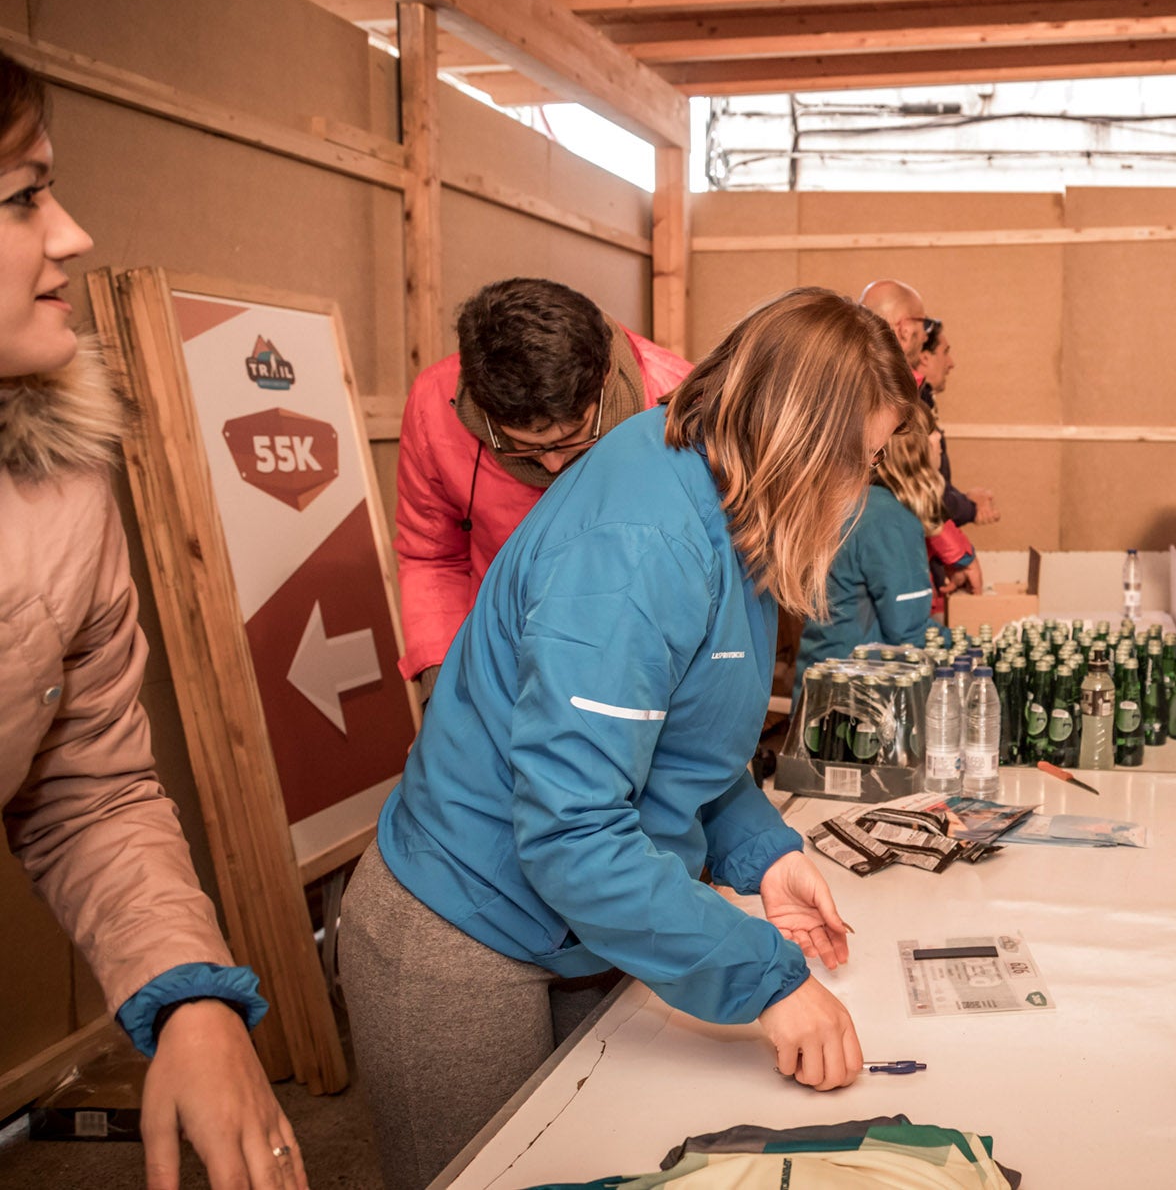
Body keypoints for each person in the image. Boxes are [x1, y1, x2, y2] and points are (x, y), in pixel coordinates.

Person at [342, 289, 902, 1190]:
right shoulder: (642, 545)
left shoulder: (734, 495)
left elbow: (688, 746)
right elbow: (573, 830)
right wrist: (767, 979)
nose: (862, 488)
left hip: (577, 923)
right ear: (802, 442)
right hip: (462, 924)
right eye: (861, 459)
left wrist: (764, 854)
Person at [0, 52, 305, 1190]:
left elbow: (87, 785)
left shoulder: (62, 481)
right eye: (25, 194)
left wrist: (186, 991)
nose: (72, 234)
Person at [394, 277, 689, 699]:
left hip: (643, 663)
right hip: (502, 657)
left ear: (603, 377)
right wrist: (444, 682)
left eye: (571, 437)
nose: (551, 464)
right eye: (524, 447)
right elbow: (431, 556)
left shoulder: (679, 404)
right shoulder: (433, 404)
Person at [793, 401, 946, 690]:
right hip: (856, 699)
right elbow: (909, 633)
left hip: (822, 687)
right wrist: (972, 650)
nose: (939, 440)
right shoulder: (889, 521)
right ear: (913, 449)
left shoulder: (855, 502)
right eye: (933, 432)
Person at [859, 280, 981, 596]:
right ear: (902, 328)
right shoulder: (882, 392)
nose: (926, 334)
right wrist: (958, 552)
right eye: (921, 324)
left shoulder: (876, 383)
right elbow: (906, 480)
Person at [915, 317, 998, 527]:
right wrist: (970, 507)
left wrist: (964, 499)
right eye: (945, 352)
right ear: (924, 357)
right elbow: (924, 493)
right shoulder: (913, 407)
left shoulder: (923, 400)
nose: (951, 363)